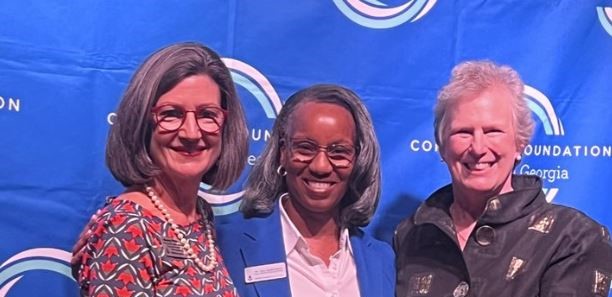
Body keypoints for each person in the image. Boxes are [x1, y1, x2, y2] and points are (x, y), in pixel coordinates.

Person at [394, 60, 612, 297]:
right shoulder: (410, 235)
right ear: (442, 146)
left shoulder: (574, 238)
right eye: (463, 132)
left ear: (520, 143)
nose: (478, 147)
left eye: (492, 131)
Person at [73, 42, 248, 297]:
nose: (191, 132)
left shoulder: (200, 215)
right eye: (171, 114)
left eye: (207, 114)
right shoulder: (127, 227)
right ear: (142, 123)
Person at [216, 84, 395, 297]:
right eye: (305, 148)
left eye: (339, 152)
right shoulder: (229, 245)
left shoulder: (382, 260)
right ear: (283, 152)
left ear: (358, 160)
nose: (321, 166)